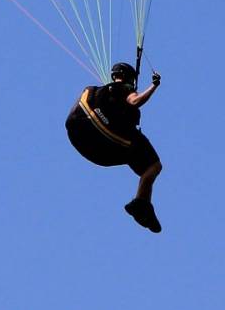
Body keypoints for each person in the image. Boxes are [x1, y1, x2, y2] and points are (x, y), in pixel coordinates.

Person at [65, 62, 164, 232]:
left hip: (80, 134)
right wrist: (154, 86)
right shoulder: (125, 89)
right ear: (129, 79)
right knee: (154, 166)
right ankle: (141, 203)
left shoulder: (101, 91)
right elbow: (135, 102)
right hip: (106, 142)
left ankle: (142, 205)